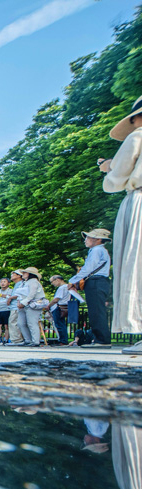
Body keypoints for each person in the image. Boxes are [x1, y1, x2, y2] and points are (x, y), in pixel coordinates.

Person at [99, 94, 142, 355]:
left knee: (137, 264)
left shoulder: (138, 135)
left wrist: (107, 167)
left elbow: (118, 177)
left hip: (139, 199)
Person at [68, 229, 112, 348]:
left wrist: (72, 281)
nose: (85, 240)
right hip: (98, 282)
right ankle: (100, 338)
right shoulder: (99, 250)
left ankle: (102, 340)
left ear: (97, 239)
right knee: (96, 311)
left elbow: (88, 269)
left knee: (96, 311)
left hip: (96, 282)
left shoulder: (97, 250)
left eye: (88, 238)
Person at [14, 267, 47, 347]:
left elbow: (32, 294)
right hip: (23, 305)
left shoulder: (33, 282)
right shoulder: (24, 282)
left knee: (32, 323)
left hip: (32, 304)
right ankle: (28, 340)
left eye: (25, 273)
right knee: (21, 323)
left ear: (30, 274)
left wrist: (23, 302)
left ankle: (35, 341)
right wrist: (19, 302)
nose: (23, 274)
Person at [47, 275, 72, 345]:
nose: (52, 284)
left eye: (52, 282)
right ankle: (63, 340)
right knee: (62, 324)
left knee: (59, 324)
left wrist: (48, 305)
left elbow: (56, 299)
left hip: (58, 307)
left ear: (57, 280)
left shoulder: (62, 288)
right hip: (64, 307)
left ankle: (63, 341)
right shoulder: (68, 287)